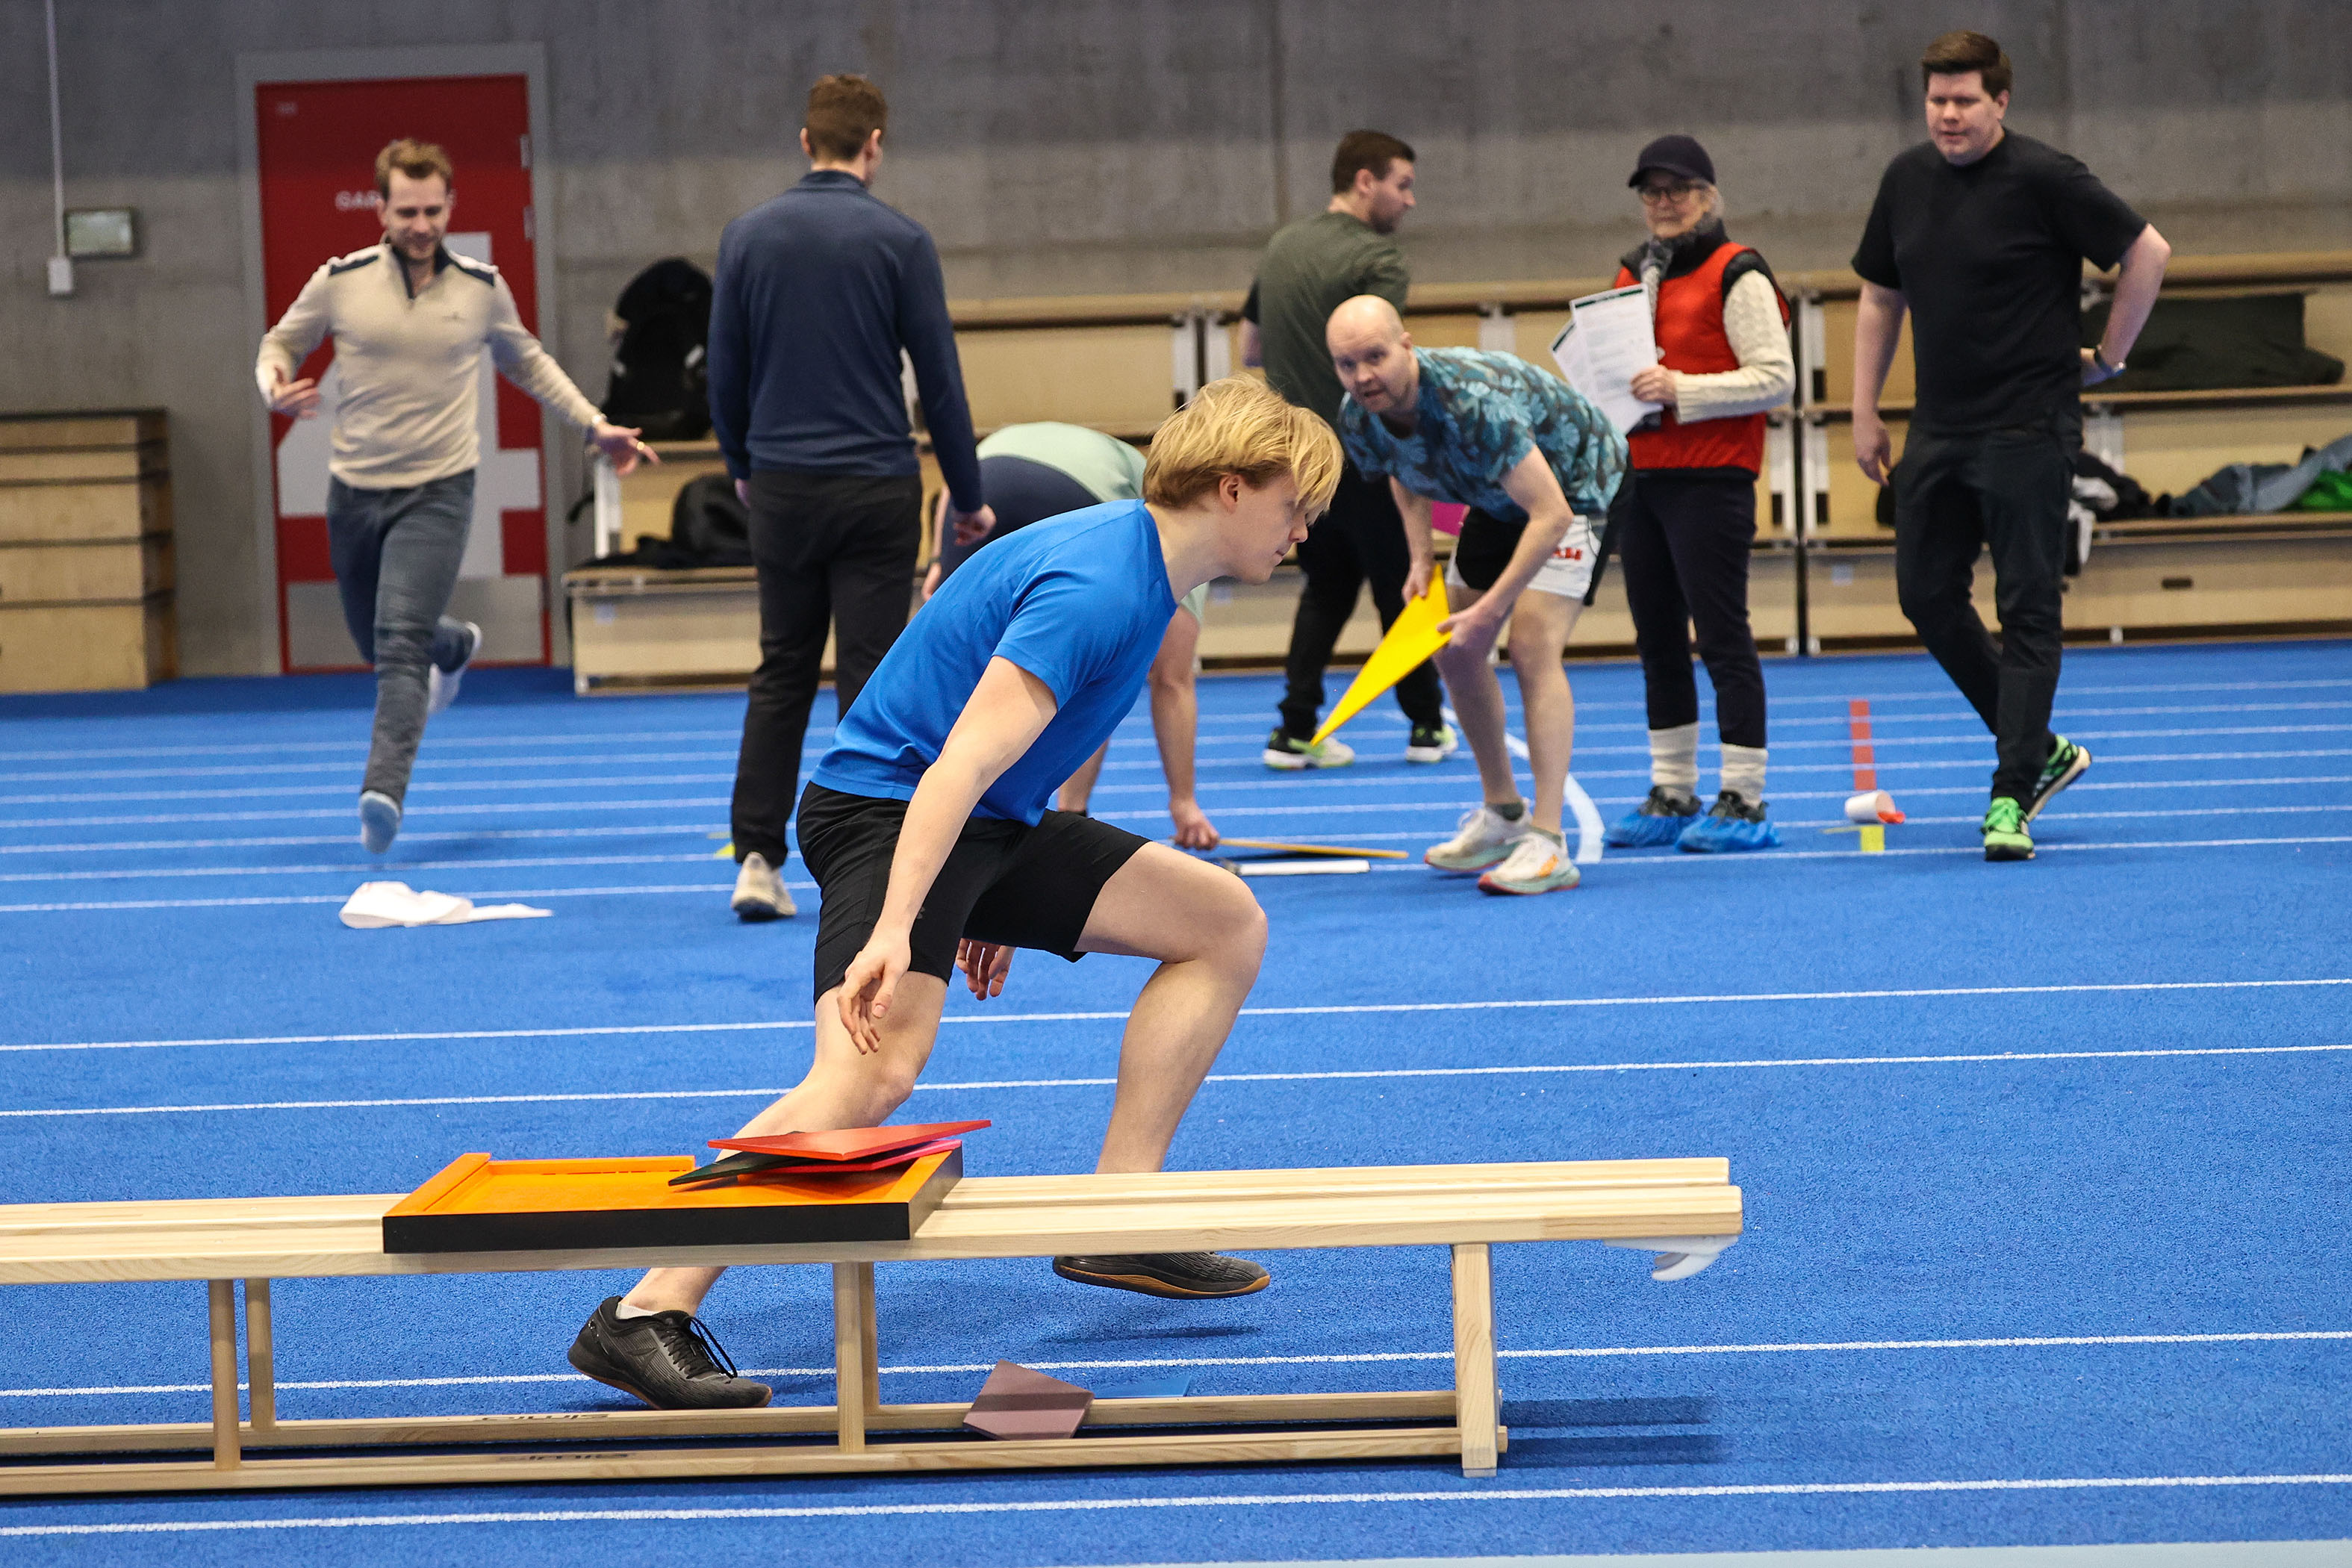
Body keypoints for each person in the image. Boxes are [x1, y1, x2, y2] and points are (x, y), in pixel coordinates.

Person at [566, 378, 1337, 1409]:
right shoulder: (1101, 583)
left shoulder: (1148, 571)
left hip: (984, 823)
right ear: (1232, 489)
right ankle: (643, 1311)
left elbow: (1027, 750)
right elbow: (957, 763)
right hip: (887, 809)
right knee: (868, 1076)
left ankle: (1119, 1218)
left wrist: (997, 882)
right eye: (1297, 505)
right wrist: (903, 922)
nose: (1304, 528)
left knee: (1222, 923)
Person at [257, 138, 653, 854]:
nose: (421, 225)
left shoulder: (480, 288)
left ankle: (383, 792)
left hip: (439, 490)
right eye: (406, 212)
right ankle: (455, 643)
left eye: (432, 211)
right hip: (355, 493)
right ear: (381, 210)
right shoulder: (340, 281)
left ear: (450, 208)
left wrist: (595, 425)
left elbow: (528, 363)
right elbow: (279, 344)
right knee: (374, 638)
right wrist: (274, 386)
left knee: (397, 641)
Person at [1852, 30, 2170, 862]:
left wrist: (2110, 357)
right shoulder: (1905, 180)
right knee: (1926, 596)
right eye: (1937, 101)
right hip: (1938, 427)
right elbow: (1881, 297)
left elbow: (2148, 252)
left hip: (2030, 427)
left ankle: (2010, 795)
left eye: (1964, 100)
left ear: (2000, 101)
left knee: (2028, 606)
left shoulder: (2045, 178)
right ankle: (2043, 750)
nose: (1948, 115)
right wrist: (1863, 409)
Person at [712, 74, 993, 922]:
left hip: (783, 485)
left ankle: (757, 858)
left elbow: (725, 372)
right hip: (875, 484)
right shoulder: (901, 241)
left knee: (782, 666)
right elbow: (939, 382)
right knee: (871, 677)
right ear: (875, 145)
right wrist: (969, 495)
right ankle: (868, 862)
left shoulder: (746, 237)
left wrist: (743, 463)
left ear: (806, 142)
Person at [1325, 297, 1628, 896]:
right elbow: (1403, 470)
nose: (1363, 376)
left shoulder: (1471, 403)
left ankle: (1548, 841)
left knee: (1531, 644)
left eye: (1376, 358)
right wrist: (1420, 557)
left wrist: (1491, 609)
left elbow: (1551, 514)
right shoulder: (1358, 414)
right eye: (1347, 364)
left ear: (1407, 346)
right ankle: (1503, 813)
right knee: (1454, 648)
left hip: (1576, 487)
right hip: (1497, 497)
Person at [1601, 135, 1795, 854]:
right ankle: (1673, 791)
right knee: (1657, 640)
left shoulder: (1737, 271)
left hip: (1712, 476)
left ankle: (1744, 797)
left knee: (1721, 637)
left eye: (1678, 190)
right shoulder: (1632, 270)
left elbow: (1776, 378)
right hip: (1643, 476)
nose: (1664, 203)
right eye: (1652, 192)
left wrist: (1680, 389)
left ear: (1709, 196)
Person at [1242, 131, 1453, 771]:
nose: (1410, 201)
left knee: (1326, 589)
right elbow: (1383, 361)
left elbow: (1251, 349)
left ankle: (1293, 729)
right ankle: (1427, 725)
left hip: (1295, 458)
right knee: (1403, 583)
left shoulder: (1281, 247)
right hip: (1364, 452)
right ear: (1365, 182)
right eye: (1402, 185)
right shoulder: (1377, 258)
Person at [921, 422, 1222, 849]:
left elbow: (957, 481)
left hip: (980, 476)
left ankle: (917, 808)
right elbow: (1172, 681)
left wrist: (940, 557)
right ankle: (1068, 816)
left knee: (956, 667)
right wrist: (1183, 801)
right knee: (1100, 665)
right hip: (1069, 493)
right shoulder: (1189, 535)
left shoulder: (1137, 472)